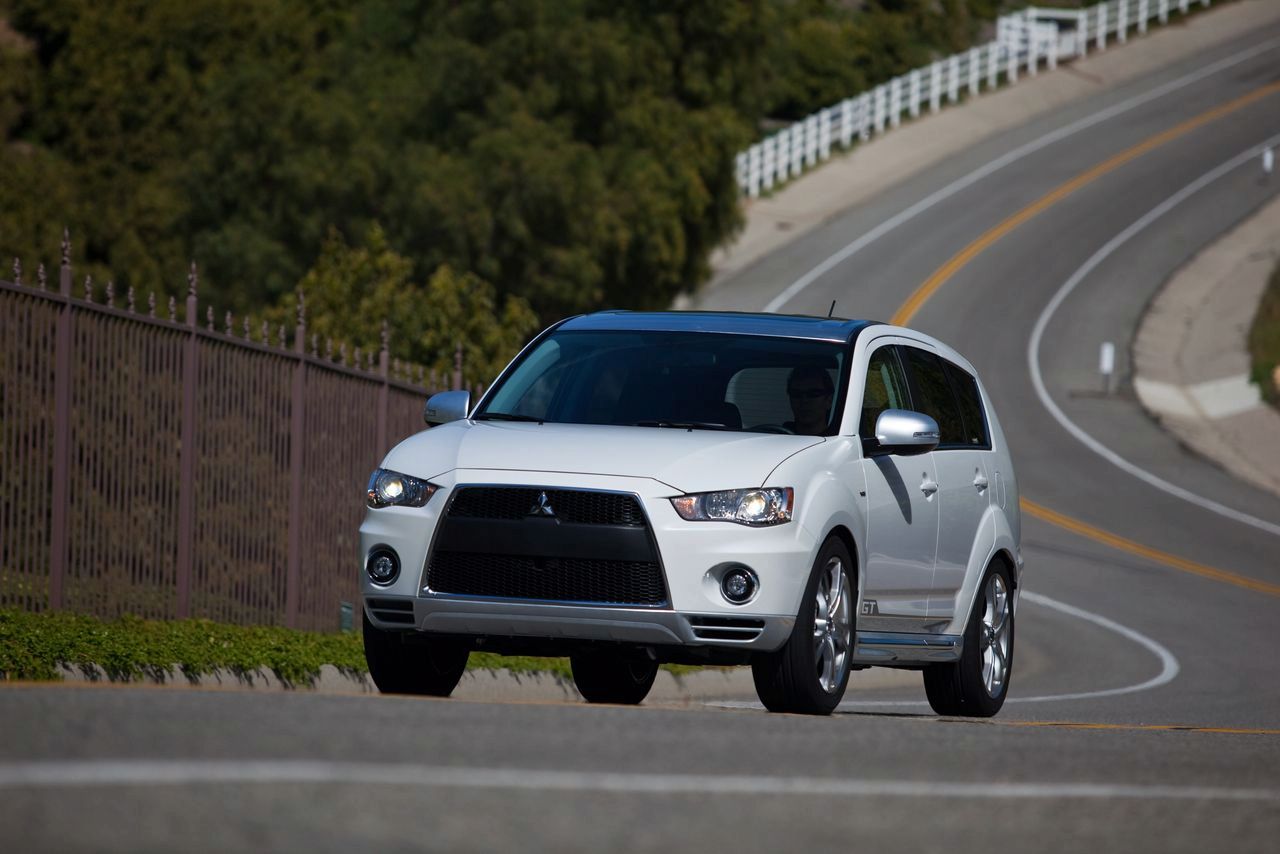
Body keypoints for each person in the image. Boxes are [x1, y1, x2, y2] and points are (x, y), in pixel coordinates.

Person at [785, 366, 834, 435]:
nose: (804, 400)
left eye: (813, 394)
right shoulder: (776, 437)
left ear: (829, 400)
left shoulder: (839, 441)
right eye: (796, 394)